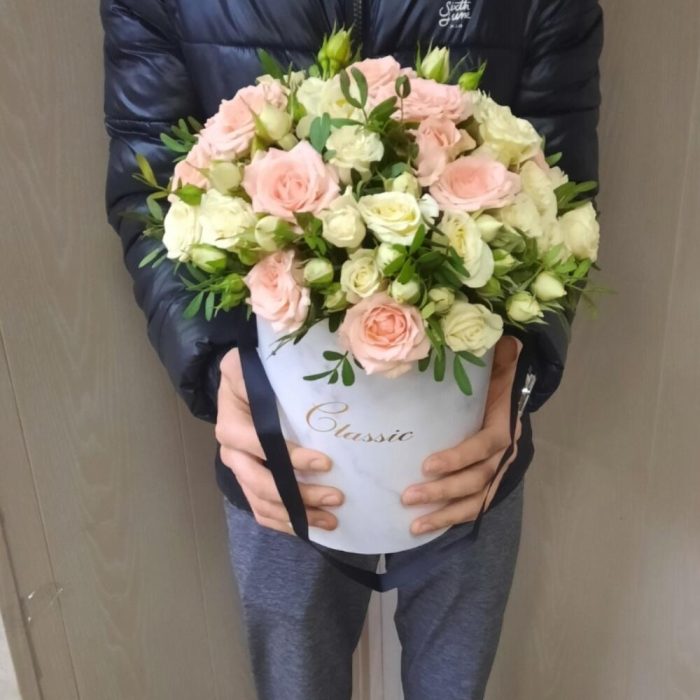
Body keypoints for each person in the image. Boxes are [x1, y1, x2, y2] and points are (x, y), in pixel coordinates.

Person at [100, 2, 603, 698]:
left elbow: (561, 196)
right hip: (280, 436)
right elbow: (148, 188)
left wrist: (520, 377)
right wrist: (215, 372)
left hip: (470, 430)